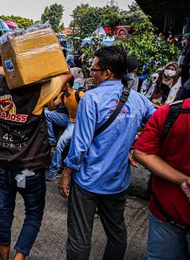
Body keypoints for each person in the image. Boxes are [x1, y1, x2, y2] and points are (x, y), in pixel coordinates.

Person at [59, 46, 156, 260]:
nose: (90, 74)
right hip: (117, 181)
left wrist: (66, 172)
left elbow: (81, 144)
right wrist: (137, 144)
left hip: (87, 181)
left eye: (94, 70)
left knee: (79, 237)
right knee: (117, 234)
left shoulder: (91, 99)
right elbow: (157, 123)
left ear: (107, 73)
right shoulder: (138, 100)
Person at [0, 53, 71, 260]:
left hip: (0, 165)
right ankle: (19, 258)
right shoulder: (39, 91)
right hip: (28, 169)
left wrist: (10, 48)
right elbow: (66, 72)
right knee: (33, 213)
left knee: (3, 214)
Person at [133, 98, 190, 259]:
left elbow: (142, 152)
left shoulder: (170, 111)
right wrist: (183, 180)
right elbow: (141, 151)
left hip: (164, 213)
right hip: (165, 215)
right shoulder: (172, 112)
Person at [45, 77, 84, 181]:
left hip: (76, 123)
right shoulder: (62, 95)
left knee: (61, 143)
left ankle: (54, 170)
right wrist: (50, 96)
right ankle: (51, 139)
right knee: (46, 113)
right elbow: (51, 108)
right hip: (68, 119)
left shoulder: (79, 94)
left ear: (66, 84)